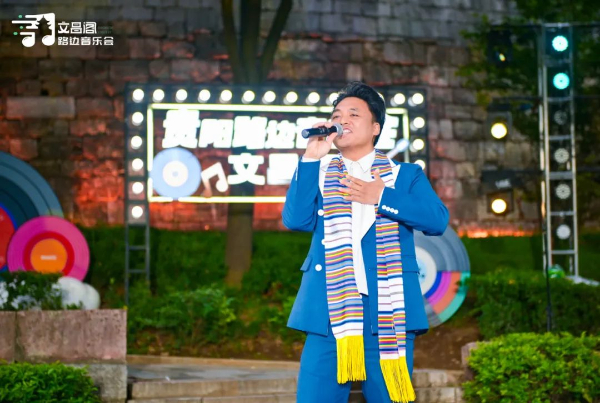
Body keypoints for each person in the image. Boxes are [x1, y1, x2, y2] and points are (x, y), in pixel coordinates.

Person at [282, 81, 449, 403]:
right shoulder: (318, 171)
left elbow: (437, 220)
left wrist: (382, 196)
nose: (342, 120)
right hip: (328, 309)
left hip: (387, 313)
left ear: (375, 127)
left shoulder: (404, 175)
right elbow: (296, 220)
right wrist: (311, 156)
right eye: (337, 115)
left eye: (353, 114)